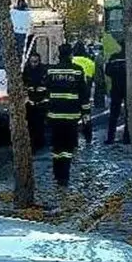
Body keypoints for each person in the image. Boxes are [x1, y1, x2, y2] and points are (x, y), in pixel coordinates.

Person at [46, 44, 91, 189]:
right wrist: (85, 113)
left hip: (54, 115)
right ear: (70, 55)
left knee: (57, 146)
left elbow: (45, 91)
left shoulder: (51, 70)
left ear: (59, 54)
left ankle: (56, 172)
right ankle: (64, 176)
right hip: (71, 116)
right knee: (68, 147)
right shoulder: (77, 71)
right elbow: (84, 95)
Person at [104, 41, 132, 145]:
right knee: (129, 113)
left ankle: (110, 138)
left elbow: (107, 71)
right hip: (130, 88)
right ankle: (127, 138)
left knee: (114, 114)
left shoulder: (114, 57)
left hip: (116, 88)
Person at [23, 50, 48, 152]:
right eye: (32, 62)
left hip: (41, 102)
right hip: (30, 102)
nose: (33, 64)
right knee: (30, 125)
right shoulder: (26, 70)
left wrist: (45, 99)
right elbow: (23, 85)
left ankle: (39, 143)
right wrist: (27, 99)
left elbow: (47, 86)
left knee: (40, 125)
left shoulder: (43, 70)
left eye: (36, 62)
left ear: (39, 61)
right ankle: (32, 145)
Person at [72, 41, 96, 144]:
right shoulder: (89, 62)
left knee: (73, 117)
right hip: (85, 94)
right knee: (86, 116)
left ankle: (74, 138)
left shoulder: (71, 60)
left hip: (73, 93)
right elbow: (92, 77)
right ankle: (88, 137)